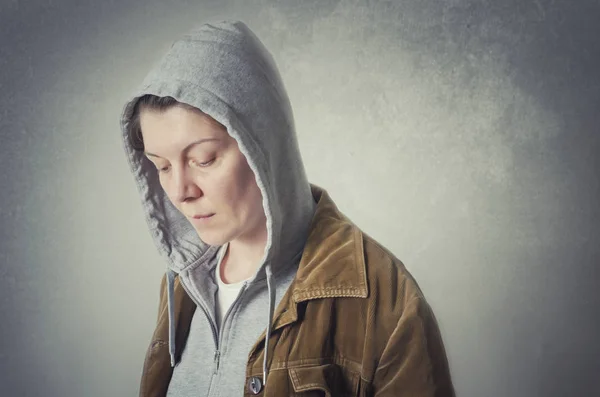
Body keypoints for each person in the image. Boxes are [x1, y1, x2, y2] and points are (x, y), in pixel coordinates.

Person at [119, 20, 456, 397]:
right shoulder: (182, 283)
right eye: (161, 166)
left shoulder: (387, 302)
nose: (179, 191)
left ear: (264, 147)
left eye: (204, 158)